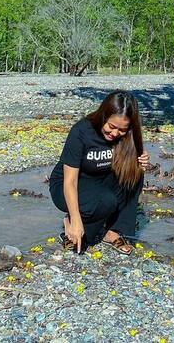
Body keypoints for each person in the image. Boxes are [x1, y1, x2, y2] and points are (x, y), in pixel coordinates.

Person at [49, 90, 149, 254]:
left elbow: (134, 162)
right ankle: (69, 223)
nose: (115, 133)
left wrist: (141, 160)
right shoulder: (81, 132)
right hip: (68, 184)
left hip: (100, 180)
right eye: (111, 126)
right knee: (105, 202)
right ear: (103, 116)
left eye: (122, 129)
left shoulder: (127, 135)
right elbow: (70, 182)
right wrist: (75, 219)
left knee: (135, 173)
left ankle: (113, 231)